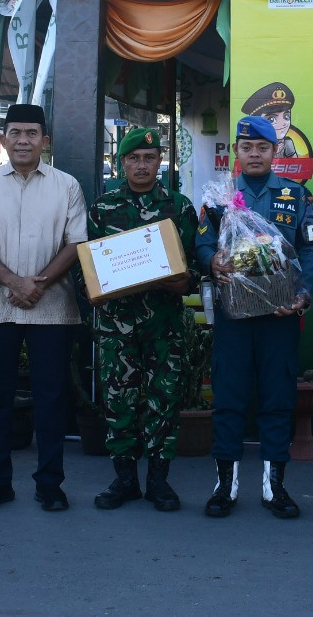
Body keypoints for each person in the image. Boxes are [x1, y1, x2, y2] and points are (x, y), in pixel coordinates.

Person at [0, 103, 86, 513]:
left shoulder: (67, 186)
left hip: (53, 307)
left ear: (45, 141)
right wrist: (14, 282)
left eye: (32, 133)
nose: (24, 140)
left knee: (51, 397)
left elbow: (76, 243)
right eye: (16, 133)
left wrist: (38, 283)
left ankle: (50, 484)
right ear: (4, 140)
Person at [197, 115, 313, 519]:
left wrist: (303, 294)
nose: (254, 154)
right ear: (236, 151)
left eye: (262, 148)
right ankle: (224, 487)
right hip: (234, 315)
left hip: (279, 315)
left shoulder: (295, 195)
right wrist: (211, 260)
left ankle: (275, 489)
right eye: (247, 147)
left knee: (277, 400)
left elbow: (310, 250)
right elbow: (200, 243)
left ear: (275, 152)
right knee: (230, 399)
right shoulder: (220, 196)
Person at [86, 126, 198, 512]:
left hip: (163, 325)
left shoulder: (180, 207)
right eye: (133, 158)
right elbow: (91, 268)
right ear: (121, 163)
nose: (141, 165)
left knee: (164, 400)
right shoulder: (102, 208)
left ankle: (158, 481)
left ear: (160, 162)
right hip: (117, 325)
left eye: (149, 158)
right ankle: (124, 479)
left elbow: (194, 270)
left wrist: (182, 280)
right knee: (120, 401)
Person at [241, 82, 310, 159]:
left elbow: (296, 165)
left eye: (286, 116)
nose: (283, 123)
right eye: (271, 119)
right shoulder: (253, 145)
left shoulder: (287, 144)